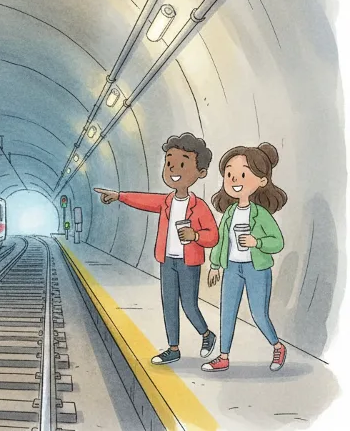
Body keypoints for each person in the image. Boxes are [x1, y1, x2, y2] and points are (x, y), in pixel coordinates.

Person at [94, 132, 218, 365]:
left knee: (189, 305)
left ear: (200, 172)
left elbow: (213, 237)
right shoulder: (166, 202)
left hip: (188, 262)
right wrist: (119, 196)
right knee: (169, 303)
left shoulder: (199, 207)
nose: (173, 169)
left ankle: (206, 334)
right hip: (167, 260)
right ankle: (173, 348)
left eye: (182, 164)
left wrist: (196, 235)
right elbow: (144, 200)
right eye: (169, 163)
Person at [202, 143, 288, 372]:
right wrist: (214, 265)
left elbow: (277, 242)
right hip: (232, 268)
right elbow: (222, 240)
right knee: (227, 311)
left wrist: (256, 242)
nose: (233, 179)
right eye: (229, 174)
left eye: (241, 174)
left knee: (258, 313)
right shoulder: (230, 212)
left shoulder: (261, 214)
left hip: (256, 268)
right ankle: (223, 356)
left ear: (261, 181)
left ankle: (277, 346)